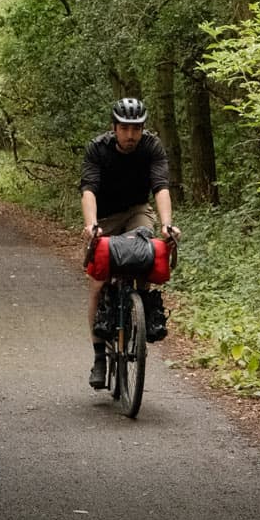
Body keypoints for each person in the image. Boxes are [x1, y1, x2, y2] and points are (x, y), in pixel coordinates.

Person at [80, 96, 178, 388]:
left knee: (144, 260)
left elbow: (160, 187)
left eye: (136, 128)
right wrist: (91, 225)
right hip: (106, 216)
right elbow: (89, 189)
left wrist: (167, 224)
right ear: (114, 128)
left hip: (137, 211)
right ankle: (99, 356)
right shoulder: (98, 149)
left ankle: (141, 315)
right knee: (98, 282)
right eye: (125, 128)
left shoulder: (151, 147)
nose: (131, 134)